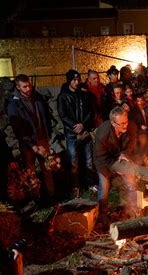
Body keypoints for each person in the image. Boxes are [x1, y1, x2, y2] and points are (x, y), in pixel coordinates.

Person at [7, 74, 55, 201]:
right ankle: (35, 197)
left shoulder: (37, 98)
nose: (28, 89)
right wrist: (32, 145)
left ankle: (51, 194)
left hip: (42, 138)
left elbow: (46, 116)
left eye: (29, 85)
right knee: (30, 171)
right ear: (18, 87)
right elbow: (18, 129)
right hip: (28, 144)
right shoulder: (14, 105)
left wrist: (47, 134)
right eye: (25, 86)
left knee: (47, 167)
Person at [94, 106, 137, 217]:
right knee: (104, 190)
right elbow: (101, 157)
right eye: (122, 124)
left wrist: (125, 153)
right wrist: (117, 168)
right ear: (113, 123)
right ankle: (102, 216)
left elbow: (132, 143)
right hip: (104, 162)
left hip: (121, 158)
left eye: (126, 122)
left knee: (131, 185)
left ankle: (134, 211)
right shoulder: (102, 134)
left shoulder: (131, 127)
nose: (125, 125)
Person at [57, 69, 95, 197]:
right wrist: (75, 126)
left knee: (89, 160)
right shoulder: (63, 97)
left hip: (84, 132)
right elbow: (63, 115)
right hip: (72, 135)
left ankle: (90, 183)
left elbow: (90, 112)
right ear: (69, 80)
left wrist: (83, 125)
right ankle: (75, 186)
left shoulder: (83, 95)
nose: (77, 81)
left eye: (78, 79)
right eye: (74, 79)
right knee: (74, 162)